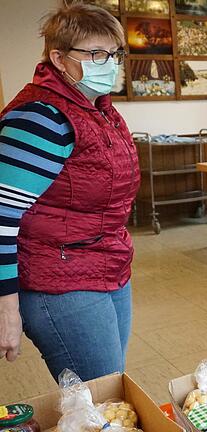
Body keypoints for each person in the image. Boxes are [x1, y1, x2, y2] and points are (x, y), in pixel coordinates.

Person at [0, 3, 139, 381]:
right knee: (99, 398)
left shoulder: (99, 108)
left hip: (104, 264)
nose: (107, 63)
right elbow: (1, 217)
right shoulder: (41, 116)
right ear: (58, 58)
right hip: (58, 279)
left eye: (114, 53)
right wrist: (6, 308)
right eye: (94, 53)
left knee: (108, 389)